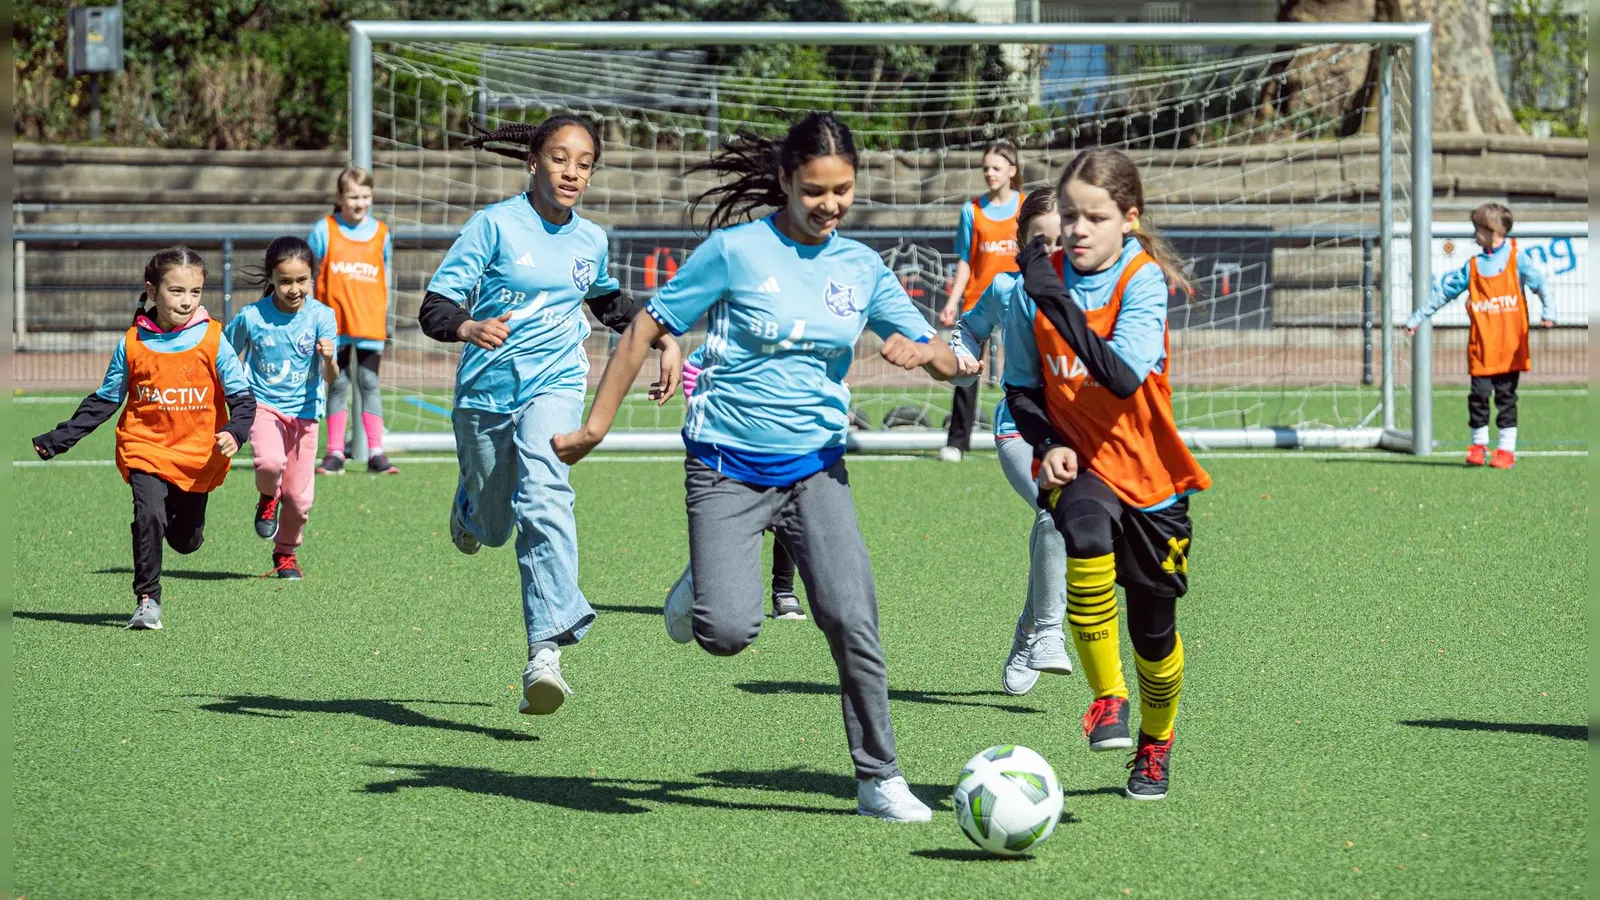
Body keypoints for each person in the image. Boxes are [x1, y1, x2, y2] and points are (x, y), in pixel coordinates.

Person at [552, 112, 959, 823]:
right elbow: (648, 325)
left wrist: (929, 354)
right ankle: (706, 583)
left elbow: (948, 358)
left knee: (851, 619)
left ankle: (879, 778)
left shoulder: (862, 267)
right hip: (726, 468)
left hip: (816, 471)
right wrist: (596, 425)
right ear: (784, 182)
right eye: (814, 191)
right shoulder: (736, 251)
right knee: (728, 632)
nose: (829, 206)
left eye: (842, 191)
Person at [417, 115, 682, 716]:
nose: (572, 172)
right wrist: (467, 326)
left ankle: (546, 652)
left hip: (556, 384)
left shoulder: (591, 240)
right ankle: (470, 505)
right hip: (485, 393)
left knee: (545, 495)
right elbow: (434, 307)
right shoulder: (492, 226)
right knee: (490, 527)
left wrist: (663, 338)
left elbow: (609, 302)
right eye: (560, 158)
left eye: (584, 162)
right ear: (534, 162)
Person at [1004, 148, 1211, 801]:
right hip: (1081, 463)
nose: (1079, 229)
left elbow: (1121, 377)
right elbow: (1020, 390)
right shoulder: (1030, 289)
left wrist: (1055, 300)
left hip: (1150, 476)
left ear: (1129, 218)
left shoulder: (1142, 280)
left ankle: (1155, 745)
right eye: (1070, 215)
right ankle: (1107, 699)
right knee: (1080, 529)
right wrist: (1044, 442)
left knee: (1156, 636)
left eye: (1095, 216)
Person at [32, 247, 256, 631]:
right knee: (147, 512)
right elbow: (105, 399)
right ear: (152, 291)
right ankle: (147, 599)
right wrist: (58, 438)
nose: (187, 301)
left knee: (186, 541)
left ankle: (180, 526)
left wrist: (235, 432)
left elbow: (243, 400)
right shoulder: (133, 343)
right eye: (177, 291)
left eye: (195, 292)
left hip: (196, 454)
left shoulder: (215, 340)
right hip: (144, 447)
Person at [949, 187, 1074, 695]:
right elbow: (967, 330)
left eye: (1060, 241)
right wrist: (961, 357)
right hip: (1019, 430)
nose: (1051, 253)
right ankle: (1047, 633)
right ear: (1020, 245)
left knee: (1081, 533)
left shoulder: (1093, 294)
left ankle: (1026, 632)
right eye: (1039, 243)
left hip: (1076, 435)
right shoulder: (1006, 289)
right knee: (1054, 509)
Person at [1406, 202, 1555, 468]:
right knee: (1478, 398)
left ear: (1493, 231)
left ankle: (1506, 450)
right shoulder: (1473, 265)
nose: (1474, 235)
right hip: (1481, 348)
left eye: (1477, 229)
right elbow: (1445, 293)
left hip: (1509, 349)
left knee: (1506, 399)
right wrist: (1418, 317)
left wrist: (1549, 310)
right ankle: (1478, 445)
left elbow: (1540, 283)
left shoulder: (1516, 259)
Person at [226, 236, 340, 579]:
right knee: (269, 462)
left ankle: (286, 554)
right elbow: (227, 357)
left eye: (301, 280)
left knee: (299, 500)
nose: (294, 289)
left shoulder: (323, 316)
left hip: (305, 414)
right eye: (285, 281)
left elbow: (332, 377)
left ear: (312, 278)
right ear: (271, 279)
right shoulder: (252, 317)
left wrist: (330, 359)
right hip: (264, 405)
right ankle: (266, 498)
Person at [681, 351, 804, 621]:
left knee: (789, 516)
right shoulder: (736, 336)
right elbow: (692, 366)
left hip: (788, 442)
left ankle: (784, 591)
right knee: (738, 522)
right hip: (734, 448)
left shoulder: (804, 335)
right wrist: (698, 413)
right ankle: (709, 578)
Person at [937, 140, 1023, 462]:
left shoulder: (1026, 207)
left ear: (1012, 171)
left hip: (1018, 300)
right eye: (985, 167)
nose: (989, 173)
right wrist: (952, 301)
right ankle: (957, 442)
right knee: (966, 369)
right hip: (978, 303)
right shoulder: (970, 211)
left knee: (1024, 369)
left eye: (996, 167)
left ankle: (1026, 432)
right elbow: (965, 260)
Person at [309, 166, 398, 475]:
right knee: (337, 384)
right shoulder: (325, 229)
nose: (360, 203)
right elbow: (309, 272)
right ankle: (334, 453)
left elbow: (385, 276)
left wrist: (386, 314)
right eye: (353, 196)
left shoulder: (381, 233)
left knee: (370, 382)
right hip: (335, 326)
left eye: (365, 196)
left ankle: (376, 451)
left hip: (370, 323)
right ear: (339, 197)